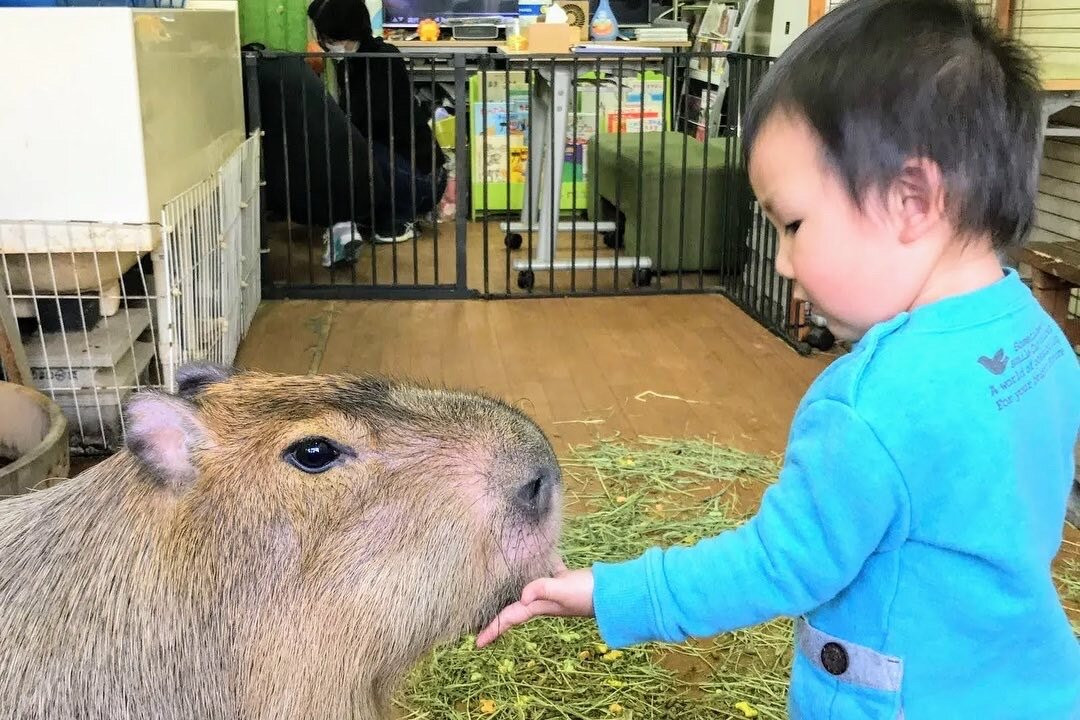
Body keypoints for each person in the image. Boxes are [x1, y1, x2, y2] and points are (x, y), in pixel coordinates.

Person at [475, 0, 1080, 716]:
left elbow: (774, 564)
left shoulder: (869, 403)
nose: (785, 263)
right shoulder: (1037, 337)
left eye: (793, 225)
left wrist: (610, 592)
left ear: (912, 199)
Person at [307, 0, 448, 250]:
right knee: (349, 147)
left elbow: (366, 124)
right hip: (398, 164)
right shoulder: (348, 63)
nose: (327, 45)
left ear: (349, 32)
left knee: (355, 148)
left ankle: (395, 219)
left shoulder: (383, 59)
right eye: (324, 39)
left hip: (424, 179)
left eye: (331, 39)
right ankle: (374, 218)